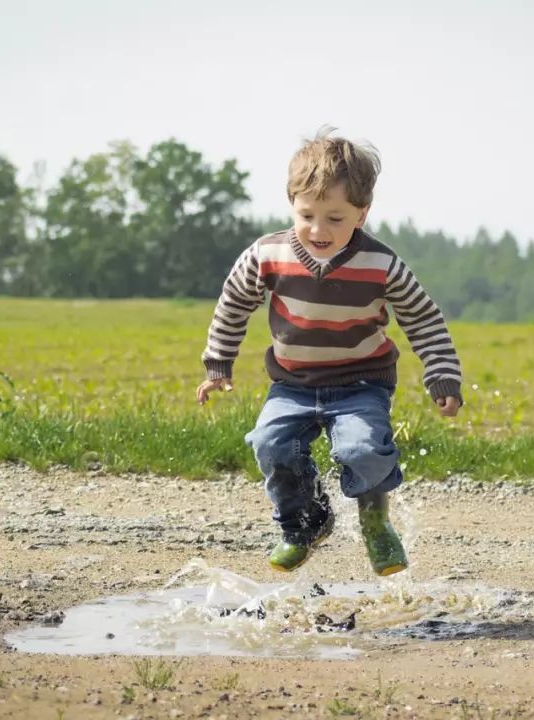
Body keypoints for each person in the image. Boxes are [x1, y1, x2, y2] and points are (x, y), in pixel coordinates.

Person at [197, 128, 463, 576]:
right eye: (307, 215)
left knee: (361, 451)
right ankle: (305, 523)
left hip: (362, 383)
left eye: (335, 218)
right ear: (292, 204)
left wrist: (442, 375)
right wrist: (218, 363)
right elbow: (234, 303)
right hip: (292, 384)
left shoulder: (383, 265)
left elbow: (423, 319)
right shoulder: (267, 254)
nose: (319, 230)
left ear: (362, 213)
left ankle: (375, 521)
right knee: (270, 444)